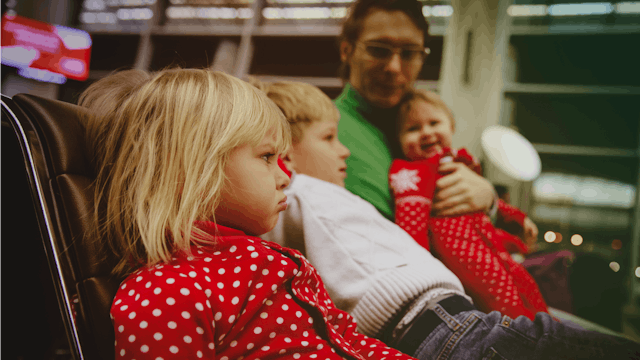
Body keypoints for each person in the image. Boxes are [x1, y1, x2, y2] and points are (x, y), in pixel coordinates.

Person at [257, 79, 640, 359]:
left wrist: (493, 205)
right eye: (328, 139)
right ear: (285, 154)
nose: (345, 152)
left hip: (445, 320)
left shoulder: (314, 197)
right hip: (439, 323)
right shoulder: (295, 193)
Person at [82, 68, 419, 359]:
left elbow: (347, 340)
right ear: (191, 170)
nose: (285, 176)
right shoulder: (167, 292)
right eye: (267, 156)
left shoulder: (262, 262)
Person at [389, 89, 548, 320]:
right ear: (399, 140)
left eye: (434, 123)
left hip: (488, 245)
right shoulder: (413, 172)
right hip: (465, 256)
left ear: (451, 126)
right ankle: (527, 341)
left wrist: (518, 217)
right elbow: (411, 223)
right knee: (502, 300)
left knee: (525, 284)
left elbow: (484, 202)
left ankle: (549, 331)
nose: (426, 132)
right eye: (413, 129)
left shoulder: (457, 162)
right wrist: (421, 270)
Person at [335, 0, 496, 221]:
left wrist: (489, 201)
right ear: (347, 50)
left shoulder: (421, 123)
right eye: (378, 50)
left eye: (410, 53)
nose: (394, 67)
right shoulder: (329, 130)